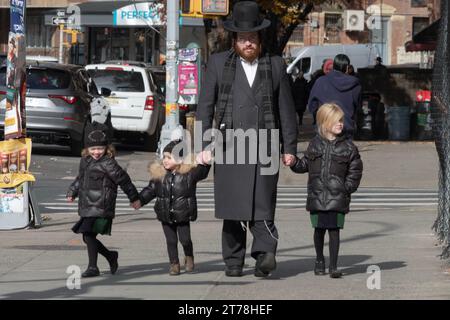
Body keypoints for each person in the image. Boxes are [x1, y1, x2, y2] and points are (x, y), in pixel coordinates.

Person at [196, 1, 298, 278]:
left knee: (263, 204)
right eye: (243, 39)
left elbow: (286, 111)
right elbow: (204, 107)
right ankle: (233, 260)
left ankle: (265, 253)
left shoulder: (275, 65)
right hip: (229, 145)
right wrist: (202, 147)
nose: (248, 43)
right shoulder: (218, 63)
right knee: (233, 207)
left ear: (259, 39)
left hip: (265, 146)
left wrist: (289, 148)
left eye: (252, 38)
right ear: (235, 40)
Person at [290, 103, 363, 278]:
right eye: (336, 121)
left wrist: (347, 188)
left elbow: (356, 170)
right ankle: (319, 260)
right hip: (317, 196)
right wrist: (293, 162)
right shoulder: (314, 144)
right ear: (325, 122)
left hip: (337, 197)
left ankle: (334, 265)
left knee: (334, 230)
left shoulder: (348, 147)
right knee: (319, 230)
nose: (340, 124)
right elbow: (304, 165)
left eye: (341, 120)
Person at [67, 121, 140, 278]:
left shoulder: (109, 163)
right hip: (87, 204)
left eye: (100, 148)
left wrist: (134, 197)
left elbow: (124, 180)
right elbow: (81, 178)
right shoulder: (85, 161)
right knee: (88, 237)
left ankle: (93, 267)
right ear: (87, 149)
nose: (97, 152)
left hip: (102, 205)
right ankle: (110, 256)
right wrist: (72, 191)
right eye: (93, 148)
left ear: (107, 148)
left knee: (88, 235)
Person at [133, 140, 210, 275]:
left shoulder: (189, 174)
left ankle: (189, 256)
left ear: (180, 159)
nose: (165, 161)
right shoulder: (159, 175)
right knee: (171, 241)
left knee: (185, 240)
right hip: (165, 214)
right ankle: (174, 264)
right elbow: (150, 190)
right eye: (164, 157)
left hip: (183, 213)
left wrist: (206, 161)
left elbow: (202, 172)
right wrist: (140, 200)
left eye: (169, 157)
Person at [308, 54, 362, 137]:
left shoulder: (320, 82)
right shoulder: (355, 85)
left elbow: (312, 106)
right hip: (346, 126)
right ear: (347, 68)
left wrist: (319, 117)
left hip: (325, 126)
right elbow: (358, 106)